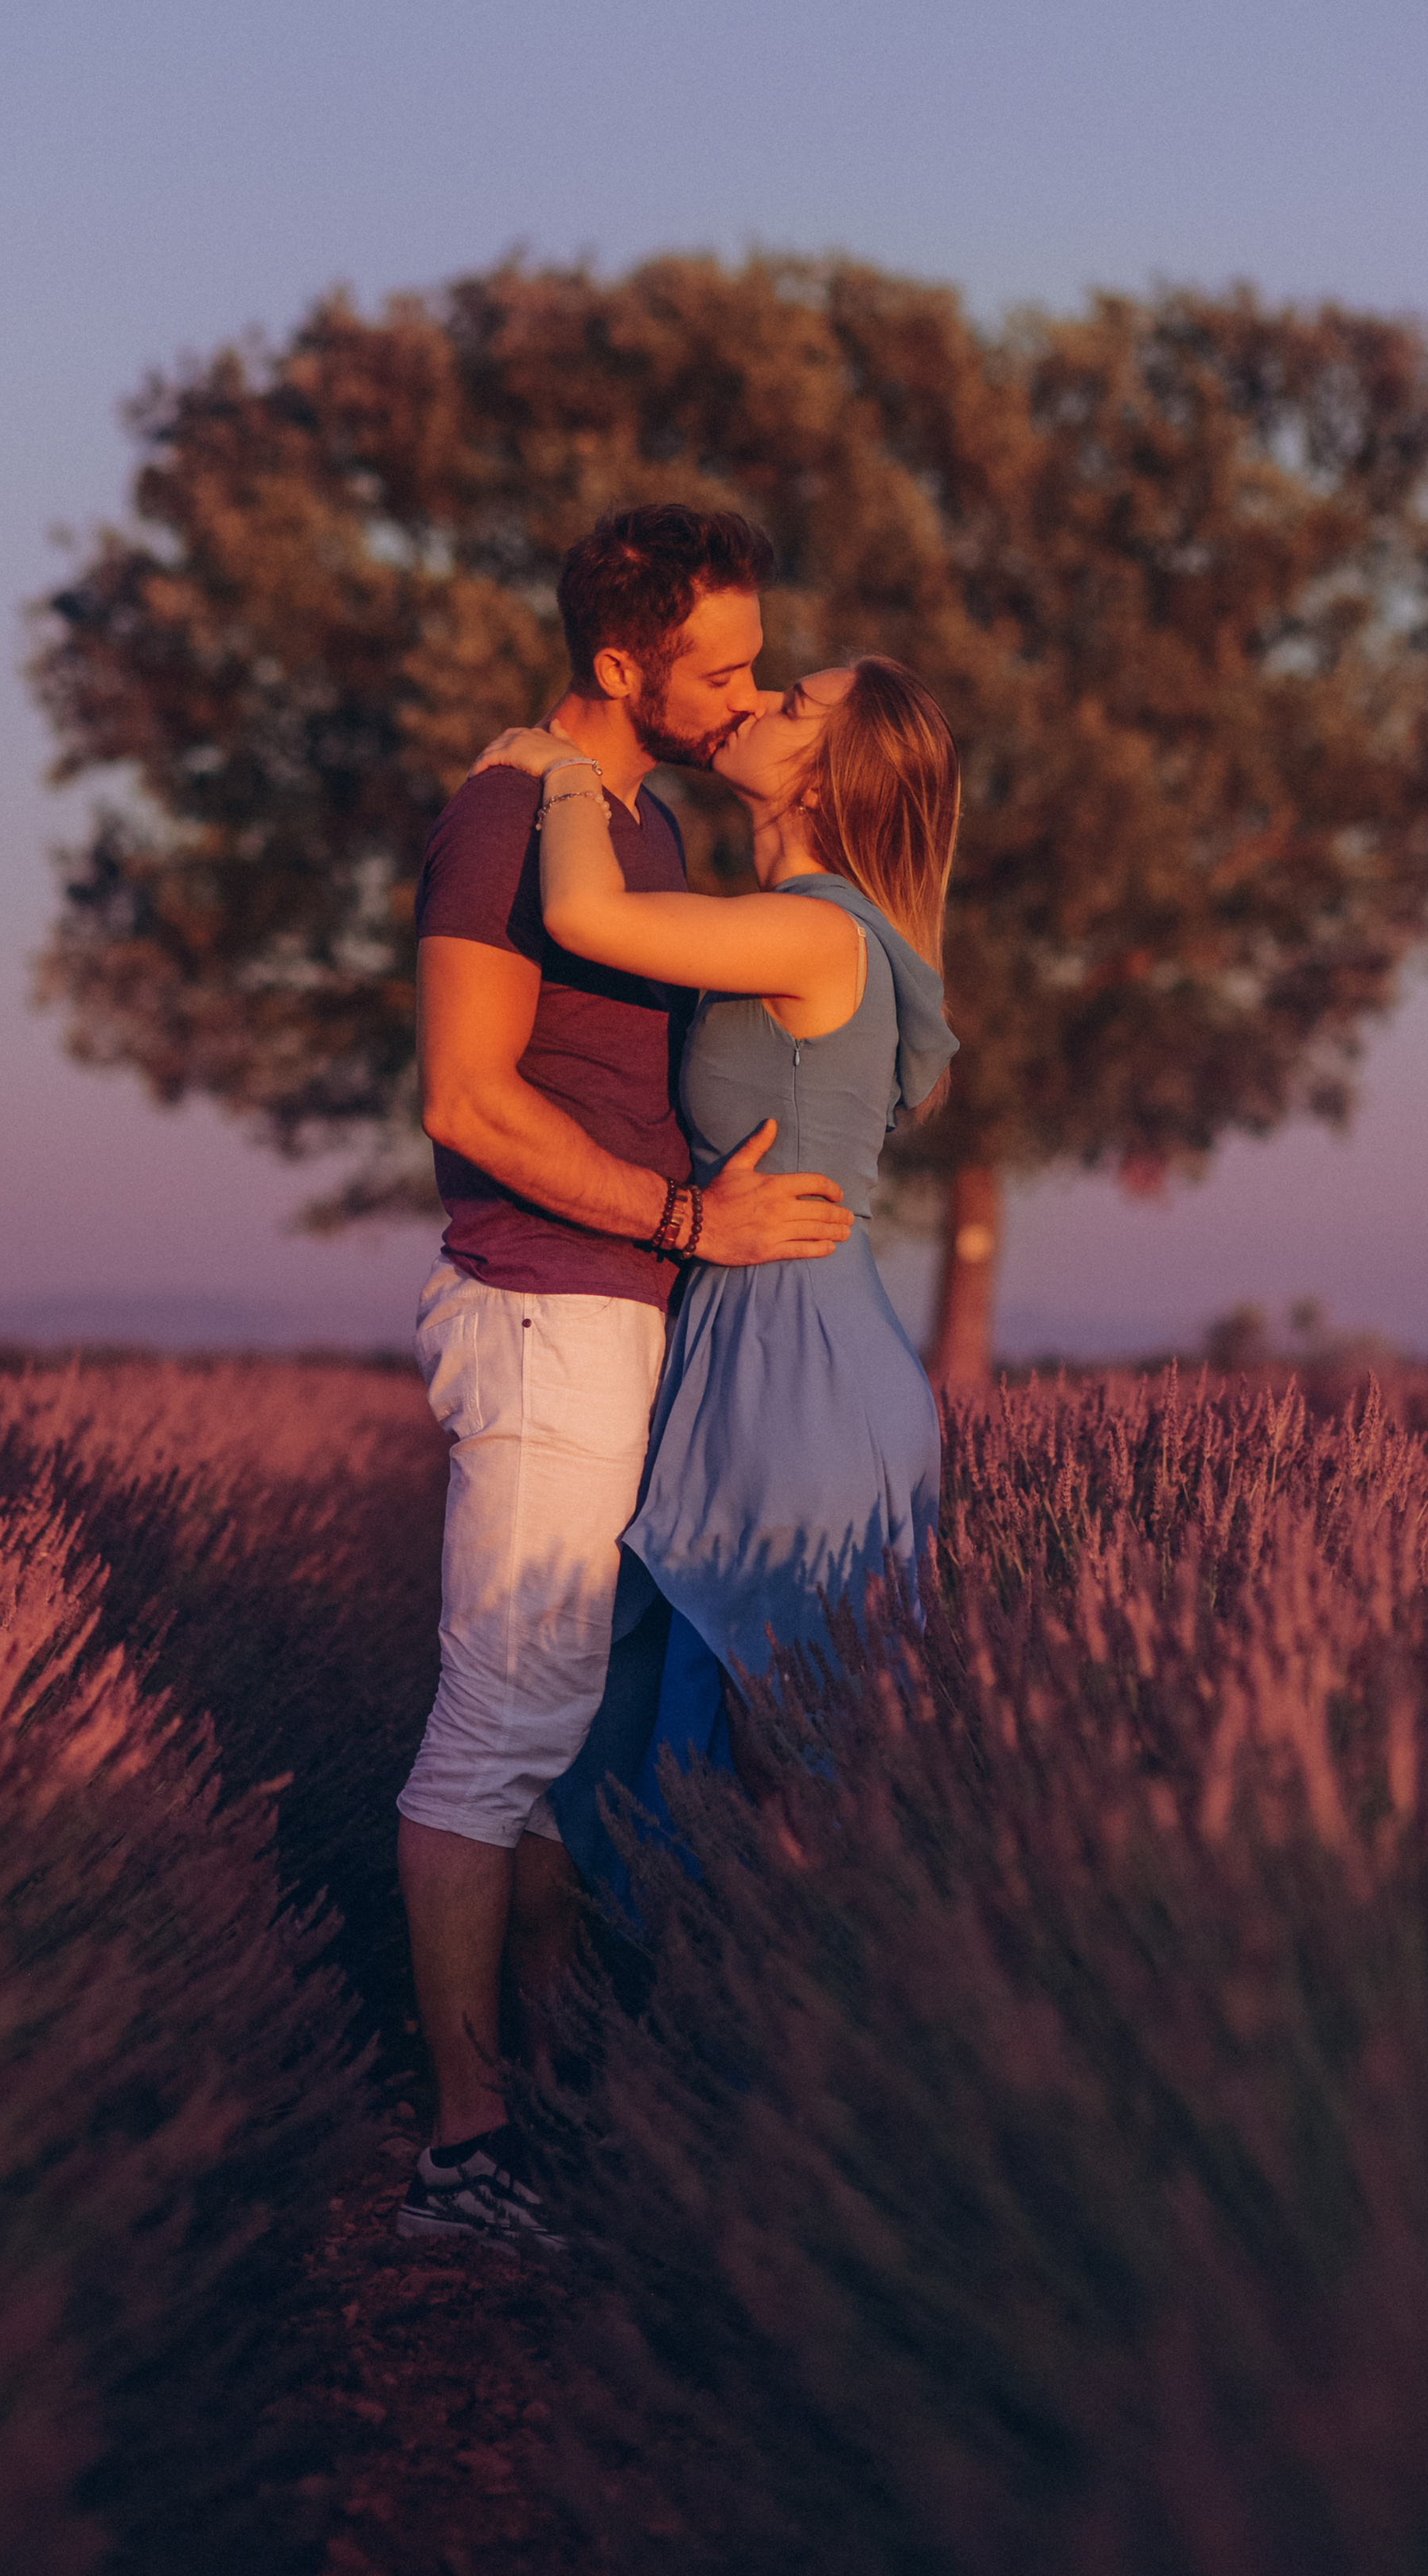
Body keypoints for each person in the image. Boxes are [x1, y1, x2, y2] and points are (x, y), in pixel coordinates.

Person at [396, 503, 857, 2253]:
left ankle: (548, 2087)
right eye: (717, 664)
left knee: (563, 1731)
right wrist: (684, 1216)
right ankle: (463, 2153)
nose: (744, 688)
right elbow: (467, 1098)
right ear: (618, 664)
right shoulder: (508, 816)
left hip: (624, 1315)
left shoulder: (634, 819)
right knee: (498, 1727)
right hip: (545, 1311)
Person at [468, 654, 960, 1910]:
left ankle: (788, 2077)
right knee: (724, 1764)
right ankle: (668, 2063)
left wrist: (563, 760)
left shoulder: (813, 930)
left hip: (800, 1376)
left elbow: (584, 918)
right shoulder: (796, 920)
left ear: (832, 771)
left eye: (794, 704)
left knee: (789, 1784)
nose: (758, 701)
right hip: (765, 1347)